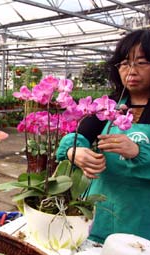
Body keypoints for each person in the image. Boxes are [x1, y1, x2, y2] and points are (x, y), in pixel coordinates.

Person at [56, 29, 150, 243]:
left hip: (143, 219)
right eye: (124, 63)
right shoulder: (108, 106)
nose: (131, 71)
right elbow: (77, 135)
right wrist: (74, 151)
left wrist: (139, 151)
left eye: (142, 62)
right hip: (100, 212)